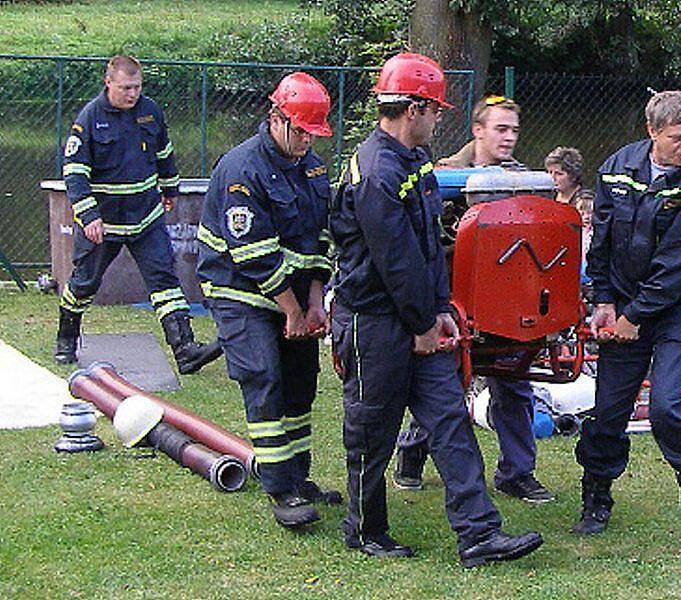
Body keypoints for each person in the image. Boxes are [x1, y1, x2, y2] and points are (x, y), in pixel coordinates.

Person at [330, 52, 544, 567]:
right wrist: (422, 324)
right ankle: (365, 529)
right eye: (435, 110)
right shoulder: (378, 172)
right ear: (414, 109)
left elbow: (429, 248)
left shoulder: (413, 162)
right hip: (375, 324)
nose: (439, 118)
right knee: (371, 430)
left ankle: (479, 535)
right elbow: (394, 262)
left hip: (417, 319)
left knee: (449, 421)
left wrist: (443, 308)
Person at [573, 90, 681, 551]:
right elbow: (599, 241)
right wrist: (603, 300)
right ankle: (596, 497)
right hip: (621, 307)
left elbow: (680, 264)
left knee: (666, 406)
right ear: (652, 132)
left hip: (677, 310)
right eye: (677, 137)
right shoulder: (618, 169)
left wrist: (635, 316)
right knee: (609, 409)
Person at [393, 95, 555, 505]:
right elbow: (431, 243)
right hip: (457, 301)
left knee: (514, 382)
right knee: (442, 384)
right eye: (501, 129)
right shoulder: (442, 174)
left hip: (508, 301)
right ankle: (412, 453)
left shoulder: (527, 181)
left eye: (515, 130)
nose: (509, 138)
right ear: (478, 130)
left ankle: (518, 472)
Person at [196, 72, 341, 528]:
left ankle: (299, 478)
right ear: (276, 118)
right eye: (299, 132)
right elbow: (253, 253)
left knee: (301, 382)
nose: (305, 143)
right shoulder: (241, 170)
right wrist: (293, 310)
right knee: (264, 375)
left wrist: (316, 299)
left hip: (294, 294)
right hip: (239, 289)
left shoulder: (312, 167)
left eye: (313, 135)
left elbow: (320, 234)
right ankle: (280, 489)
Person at [55, 55, 221, 375]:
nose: (132, 94)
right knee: (84, 284)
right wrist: (88, 216)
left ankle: (185, 350)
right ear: (109, 84)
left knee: (165, 282)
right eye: (126, 88)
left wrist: (171, 189)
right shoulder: (89, 119)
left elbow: (164, 154)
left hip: (146, 218)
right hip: (103, 222)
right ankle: (66, 340)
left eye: (137, 87)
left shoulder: (150, 111)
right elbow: (74, 174)